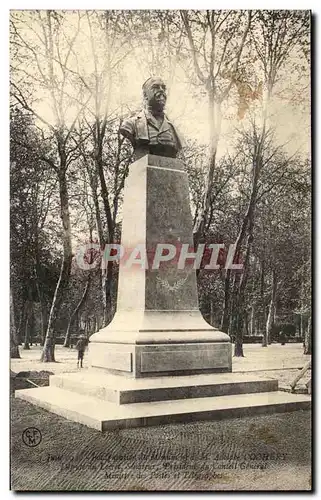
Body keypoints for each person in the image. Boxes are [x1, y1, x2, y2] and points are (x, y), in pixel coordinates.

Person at [119, 76, 184, 159]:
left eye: (163, 88)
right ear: (145, 95)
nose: (161, 90)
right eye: (155, 87)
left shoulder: (172, 128)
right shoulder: (131, 124)